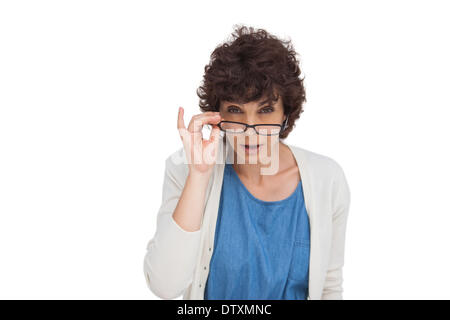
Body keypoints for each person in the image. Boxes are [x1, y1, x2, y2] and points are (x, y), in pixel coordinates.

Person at [143, 25, 351, 300]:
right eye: (235, 110)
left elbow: (329, 286)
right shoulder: (185, 168)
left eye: (265, 110)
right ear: (217, 114)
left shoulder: (327, 179)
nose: (250, 126)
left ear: (285, 113)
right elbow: (165, 286)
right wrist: (199, 176)